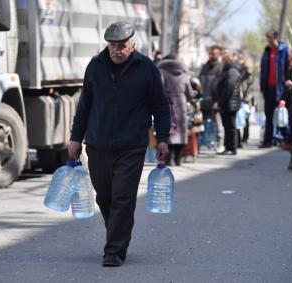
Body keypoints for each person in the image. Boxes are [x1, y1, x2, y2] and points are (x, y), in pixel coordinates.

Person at [68, 21, 171, 267]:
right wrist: (75, 138)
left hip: (131, 146)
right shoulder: (95, 66)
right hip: (97, 144)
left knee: (123, 197)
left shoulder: (147, 68)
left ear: (132, 43)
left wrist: (163, 139)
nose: (117, 50)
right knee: (105, 197)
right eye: (112, 45)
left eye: (121, 45)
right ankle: (118, 233)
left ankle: (113, 250)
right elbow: (84, 106)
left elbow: (160, 106)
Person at [157, 57, 193, 166]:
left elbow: (159, 88)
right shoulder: (185, 75)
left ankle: (170, 158)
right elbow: (190, 93)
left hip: (168, 103)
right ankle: (178, 158)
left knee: (171, 130)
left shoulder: (162, 72)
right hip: (181, 104)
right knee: (181, 131)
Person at [259, 30, 289, 148]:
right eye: (268, 38)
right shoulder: (266, 51)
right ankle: (268, 141)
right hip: (268, 88)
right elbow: (263, 71)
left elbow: (288, 68)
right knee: (269, 115)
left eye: (271, 38)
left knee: (281, 114)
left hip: (280, 88)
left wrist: (287, 84)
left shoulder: (283, 50)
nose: (269, 41)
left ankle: (287, 140)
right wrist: (262, 86)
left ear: (276, 37)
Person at [213, 50, 242, 155]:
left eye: (223, 59)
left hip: (229, 103)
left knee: (231, 126)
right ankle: (228, 147)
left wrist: (221, 101)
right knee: (227, 125)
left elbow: (229, 88)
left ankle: (232, 147)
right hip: (227, 102)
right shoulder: (227, 70)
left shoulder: (232, 71)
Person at [199, 45, 225, 151]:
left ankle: (220, 143)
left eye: (213, 54)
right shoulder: (205, 67)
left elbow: (220, 85)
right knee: (203, 122)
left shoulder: (220, 68)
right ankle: (205, 143)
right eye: (210, 53)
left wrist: (214, 97)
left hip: (214, 100)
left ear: (218, 55)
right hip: (204, 99)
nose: (211, 55)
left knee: (217, 123)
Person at [236, 54, 254, 148]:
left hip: (246, 100)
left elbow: (250, 88)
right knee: (237, 119)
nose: (239, 61)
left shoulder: (248, 73)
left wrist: (246, 99)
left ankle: (245, 139)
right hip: (238, 98)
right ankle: (238, 139)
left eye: (241, 59)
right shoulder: (237, 71)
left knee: (245, 120)